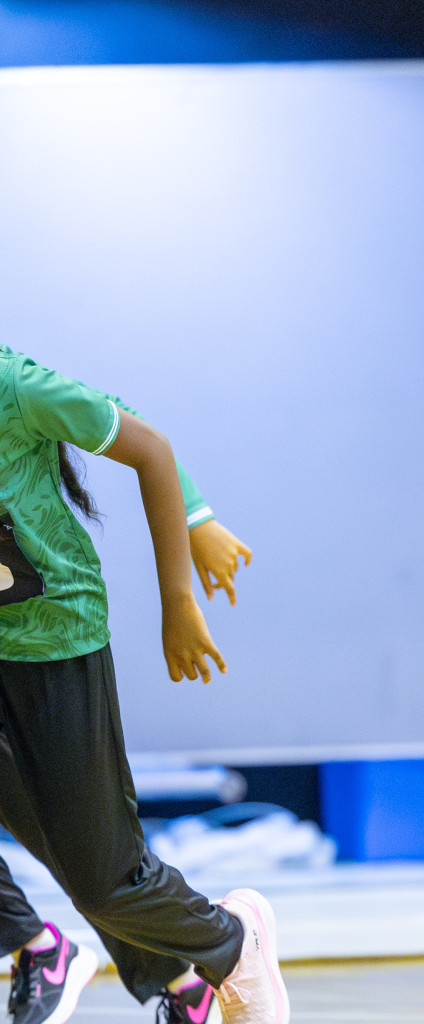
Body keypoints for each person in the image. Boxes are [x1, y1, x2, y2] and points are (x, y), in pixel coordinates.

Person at [0, 345, 287, 1024]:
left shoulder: (13, 384)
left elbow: (146, 444)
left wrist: (181, 587)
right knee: (78, 860)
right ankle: (39, 947)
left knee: (104, 882)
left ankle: (231, 944)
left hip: (53, 643)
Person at [5, 488, 251, 1024]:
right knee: (68, 849)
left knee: (94, 866)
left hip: (50, 642)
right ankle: (179, 984)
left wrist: (195, 519)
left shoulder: (18, 401)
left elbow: (137, 435)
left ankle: (233, 945)